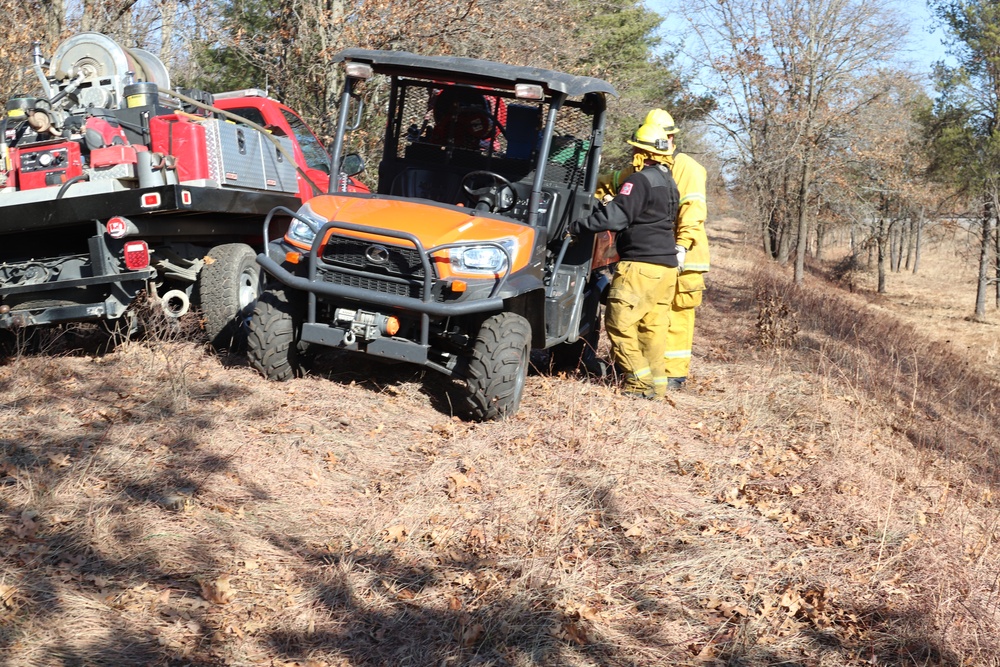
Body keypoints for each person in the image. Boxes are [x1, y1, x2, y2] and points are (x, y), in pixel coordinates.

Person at [596, 109, 710, 391]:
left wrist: (681, 246)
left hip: (685, 256)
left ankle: (671, 377)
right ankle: (647, 378)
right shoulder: (643, 169)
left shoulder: (687, 168)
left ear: (672, 137)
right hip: (656, 255)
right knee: (650, 320)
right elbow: (610, 182)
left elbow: (692, 212)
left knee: (672, 319)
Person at [569, 121, 681, 398]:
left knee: (619, 323)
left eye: (635, 148)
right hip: (666, 268)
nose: (632, 153)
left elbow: (616, 217)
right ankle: (656, 384)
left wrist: (578, 225)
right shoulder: (669, 182)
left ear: (642, 152)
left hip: (641, 267)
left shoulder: (639, 180)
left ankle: (638, 382)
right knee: (652, 329)